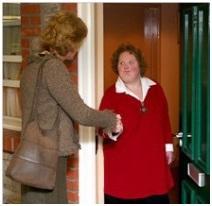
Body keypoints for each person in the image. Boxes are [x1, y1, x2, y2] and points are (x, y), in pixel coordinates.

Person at [20, 11, 122, 204]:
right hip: (48, 154)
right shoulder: (53, 68)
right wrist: (110, 119)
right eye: (78, 42)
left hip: (32, 151)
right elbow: (81, 113)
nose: (77, 48)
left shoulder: (31, 65)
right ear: (69, 41)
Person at [99, 43, 174, 204]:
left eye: (131, 62)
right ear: (116, 67)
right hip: (124, 172)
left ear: (139, 64)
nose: (126, 67)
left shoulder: (156, 89)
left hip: (154, 167)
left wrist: (169, 147)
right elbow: (101, 129)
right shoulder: (111, 95)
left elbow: (164, 120)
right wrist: (112, 129)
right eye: (121, 63)